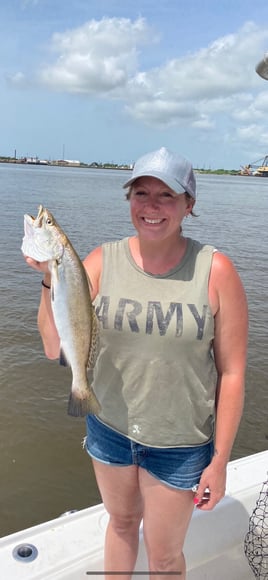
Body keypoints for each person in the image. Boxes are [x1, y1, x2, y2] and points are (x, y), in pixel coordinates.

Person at [24, 146, 248, 580]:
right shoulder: (100, 261)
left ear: (189, 204)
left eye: (167, 195)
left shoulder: (216, 271)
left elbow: (234, 373)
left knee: (164, 558)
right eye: (141, 192)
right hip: (109, 430)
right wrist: (50, 277)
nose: (151, 206)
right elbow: (55, 348)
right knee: (122, 525)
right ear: (128, 200)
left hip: (180, 444)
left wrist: (219, 460)